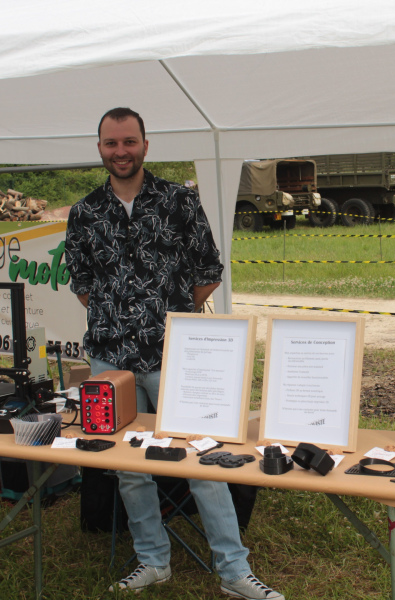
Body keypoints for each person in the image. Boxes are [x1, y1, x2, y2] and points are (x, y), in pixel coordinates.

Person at [65, 107, 284, 599]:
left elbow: (208, 271)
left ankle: (232, 570)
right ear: (99, 148)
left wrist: (169, 320)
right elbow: (83, 286)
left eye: (128, 142)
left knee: (202, 461)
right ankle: (152, 560)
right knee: (129, 468)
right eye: (110, 143)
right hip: (110, 361)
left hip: (176, 358)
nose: (120, 151)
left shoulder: (178, 202)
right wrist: (120, 320)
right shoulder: (83, 213)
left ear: (145, 144)